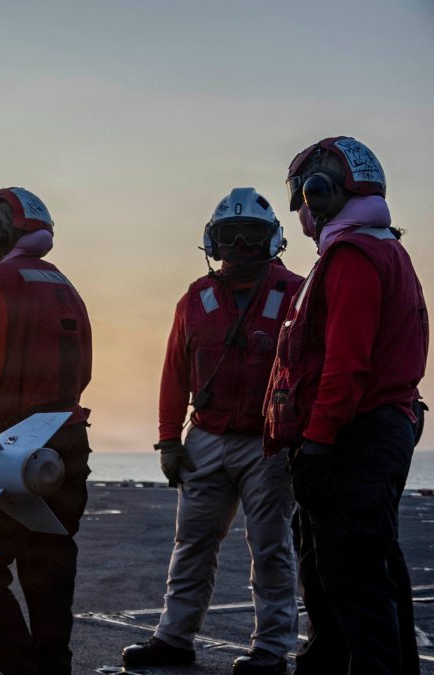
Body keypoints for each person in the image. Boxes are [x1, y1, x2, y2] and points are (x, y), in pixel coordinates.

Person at [121, 188, 301, 673]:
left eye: (251, 235)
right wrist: (167, 439)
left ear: (272, 240)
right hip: (205, 439)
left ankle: (271, 649)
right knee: (191, 545)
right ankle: (173, 638)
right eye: (229, 235)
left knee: (271, 548)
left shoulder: (297, 293)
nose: (239, 245)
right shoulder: (194, 300)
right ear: (213, 241)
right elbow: (174, 372)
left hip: (269, 443)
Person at [266, 136, 426, 674]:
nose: (304, 212)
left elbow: (345, 363)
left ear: (322, 193)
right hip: (377, 430)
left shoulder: (352, 256)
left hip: (354, 436)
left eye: (306, 197)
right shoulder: (385, 250)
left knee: (351, 579)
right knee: (364, 569)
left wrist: (317, 443)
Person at [0, 187, 91, 675]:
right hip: (68, 438)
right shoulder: (64, 283)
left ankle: (20, 668)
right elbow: (84, 370)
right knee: (49, 567)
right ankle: (53, 666)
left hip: (8, 446)